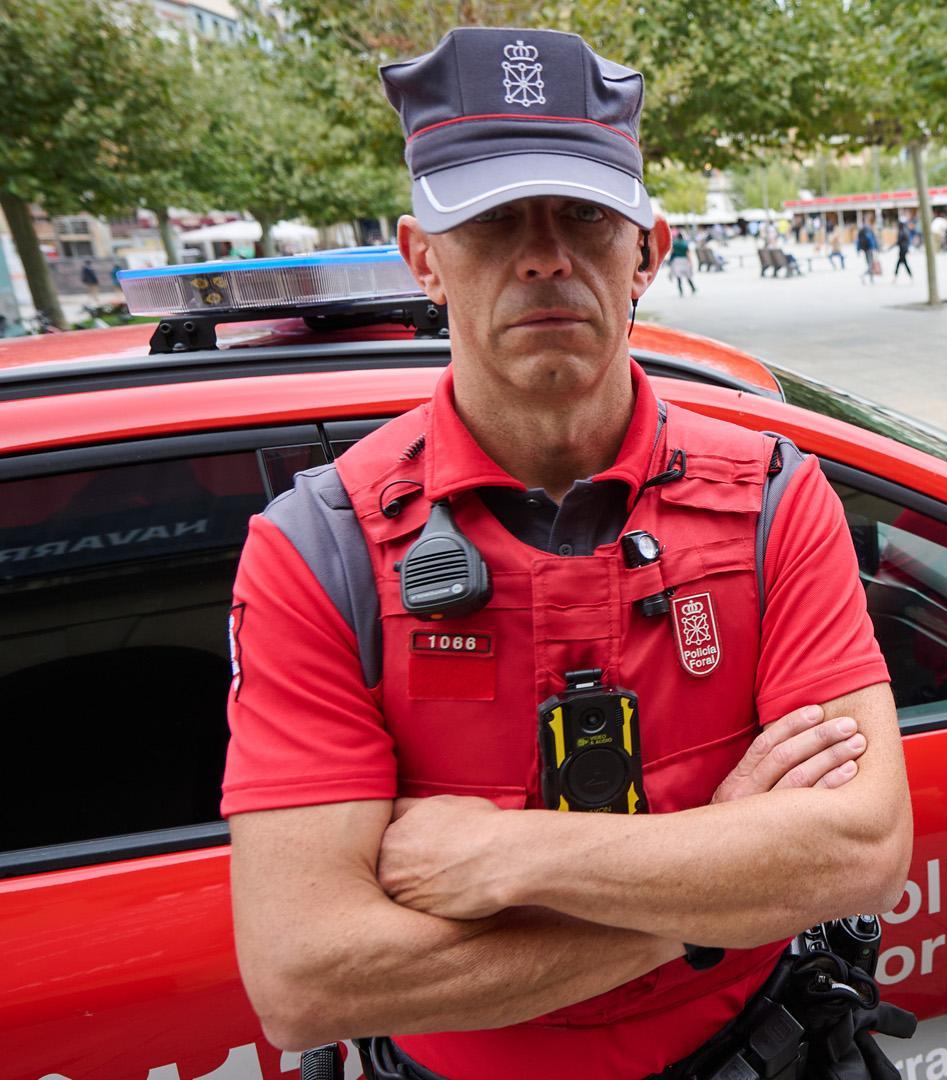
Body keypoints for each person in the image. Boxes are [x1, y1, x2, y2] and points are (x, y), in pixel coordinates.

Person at [222, 28, 912, 1080]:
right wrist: (720, 885)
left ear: (648, 251)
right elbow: (306, 979)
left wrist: (508, 856)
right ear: (423, 258)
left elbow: (861, 852)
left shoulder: (773, 494)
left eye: (585, 215)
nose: (545, 255)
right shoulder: (317, 548)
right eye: (493, 219)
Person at [668, 229, 696, 297]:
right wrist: (691, 262)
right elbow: (688, 254)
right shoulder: (685, 243)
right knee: (688, 276)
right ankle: (693, 288)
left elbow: (671, 252)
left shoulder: (675, 243)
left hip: (677, 260)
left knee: (678, 276)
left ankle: (680, 290)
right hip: (685, 260)